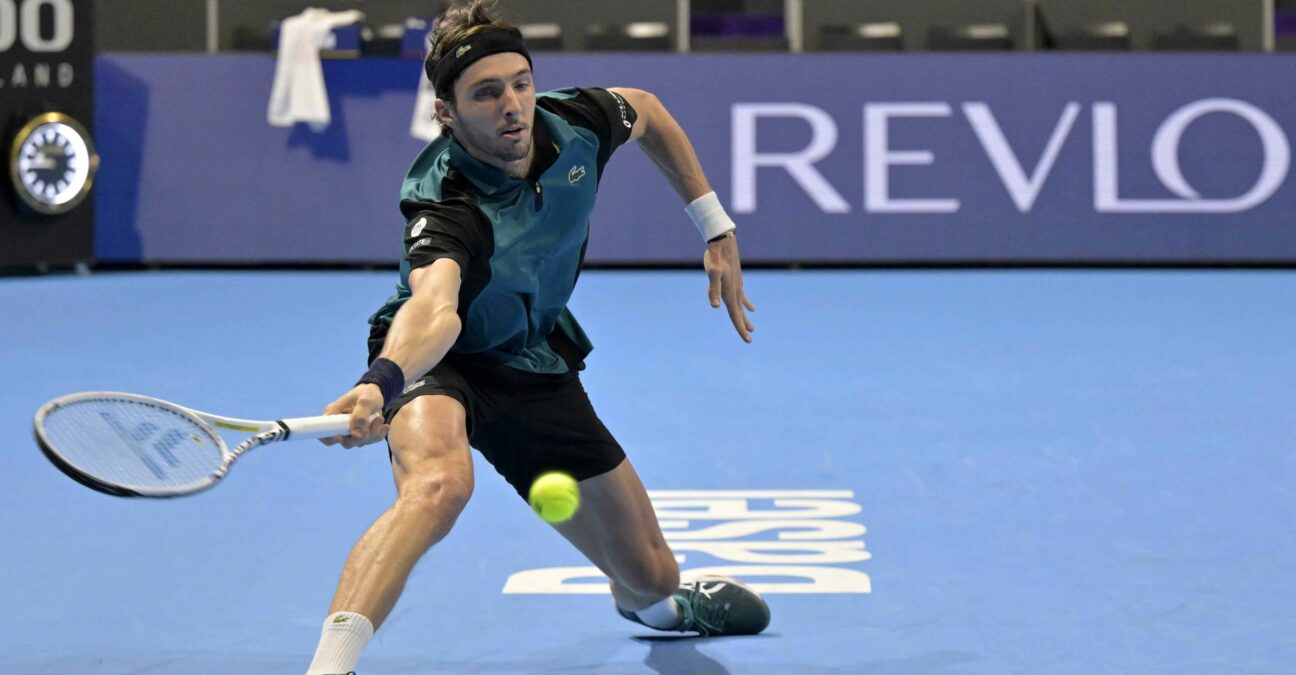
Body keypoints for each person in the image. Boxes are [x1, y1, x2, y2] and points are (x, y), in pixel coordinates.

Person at [305, 2, 765, 673]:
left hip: (531, 362)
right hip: (442, 363)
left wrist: (715, 224)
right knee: (438, 487)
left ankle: (657, 609)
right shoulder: (447, 201)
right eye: (486, 94)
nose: (513, 105)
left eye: (520, 82)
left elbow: (649, 111)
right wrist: (384, 380)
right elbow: (436, 309)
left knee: (653, 575)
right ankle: (328, 667)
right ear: (447, 112)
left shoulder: (575, 121)